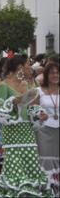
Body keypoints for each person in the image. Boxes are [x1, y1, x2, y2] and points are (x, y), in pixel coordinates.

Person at [0, 55, 53, 197]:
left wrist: (39, 114)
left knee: (31, 167)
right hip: (12, 135)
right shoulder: (3, 86)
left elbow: (31, 109)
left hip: (28, 133)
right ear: (20, 68)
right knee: (14, 171)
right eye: (28, 65)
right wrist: (14, 102)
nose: (31, 68)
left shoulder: (30, 85)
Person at [35, 62, 59, 196]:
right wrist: (38, 114)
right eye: (52, 73)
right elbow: (31, 108)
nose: (55, 75)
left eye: (57, 72)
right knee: (46, 161)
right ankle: (47, 191)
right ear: (46, 75)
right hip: (44, 131)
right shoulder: (39, 91)